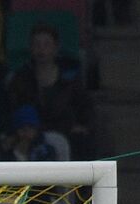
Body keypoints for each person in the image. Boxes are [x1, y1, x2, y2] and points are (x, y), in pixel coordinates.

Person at [5, 23, 92, 158]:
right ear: (31, 48)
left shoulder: (71, 78)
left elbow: (84, 107)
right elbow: (13, 107)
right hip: (28, 136)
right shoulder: (20, 78)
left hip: (66, 134)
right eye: (37, 44)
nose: (41, 49)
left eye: (46, 44)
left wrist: (81, 126)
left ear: (56, 48)